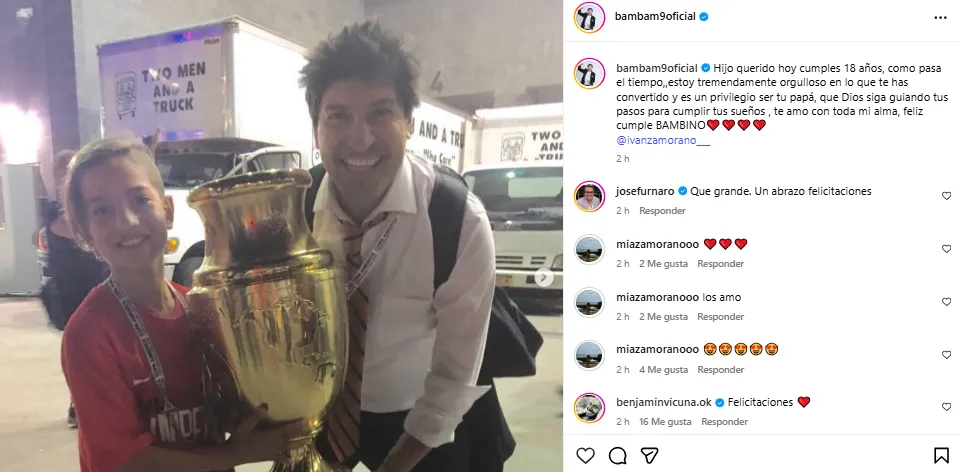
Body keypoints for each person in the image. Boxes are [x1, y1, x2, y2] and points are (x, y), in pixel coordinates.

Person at [301, 20, 498, 471]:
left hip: (417, 417)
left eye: (380, 112)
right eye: (338, 115)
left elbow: (455, 375)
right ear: (315, 128)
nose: (360, 138)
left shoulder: (456, 220)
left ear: (410, 122)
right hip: (320, 411)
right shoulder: (296, 210)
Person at [59, 137, 310, 472]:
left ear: (168, 210)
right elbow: (123, 462)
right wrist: (237, 454)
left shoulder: (200, 309)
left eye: (139, 199)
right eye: (102, 210)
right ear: (87, 233)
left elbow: (226, 403)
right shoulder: (90, 335)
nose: (127, 221)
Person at [40, 149, 110, 428]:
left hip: (89, 290)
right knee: (79, 351)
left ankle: (87, 401)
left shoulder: (86, 212)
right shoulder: (58, 215)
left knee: (95, 350)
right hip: (71, 294)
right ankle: (78, 402)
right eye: (61, 175)